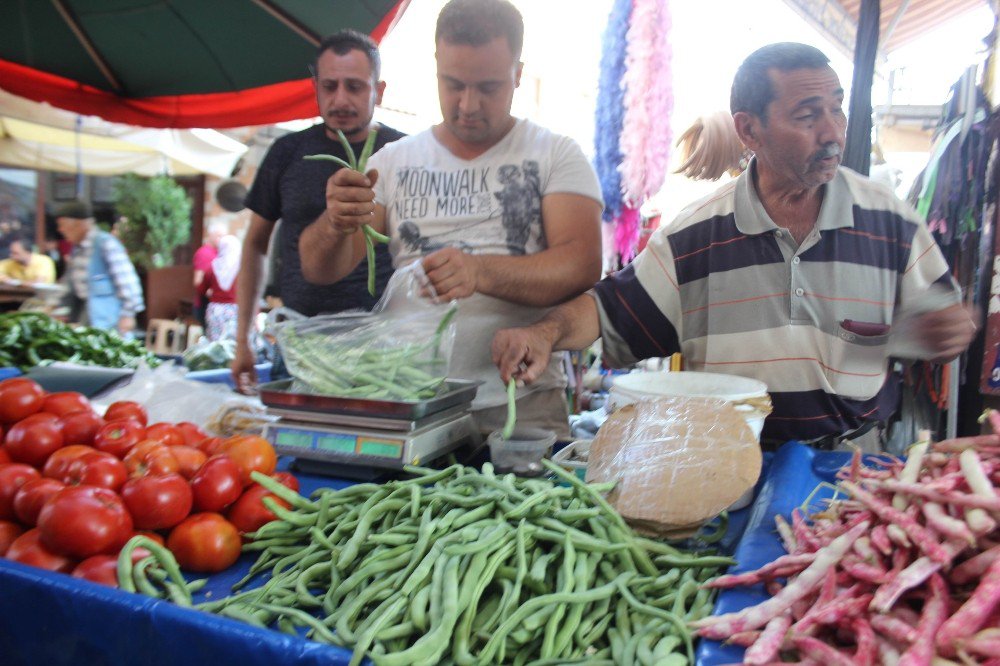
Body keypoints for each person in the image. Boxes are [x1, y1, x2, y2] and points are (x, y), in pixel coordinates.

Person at [492, 42, 978, 452]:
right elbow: (609, 311)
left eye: (836, 107)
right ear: (748, 130)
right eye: (808, 115)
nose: (832, 130)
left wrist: (945, 329)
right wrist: (545, 331)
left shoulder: (889, 220)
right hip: (727, 467)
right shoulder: (694, 237)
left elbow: (939, 321)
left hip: (850, 467)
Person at [299, 0, 603, 437]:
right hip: (410, 405)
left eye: (489, 87)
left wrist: (480, 271)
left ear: (519, 74)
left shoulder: (555, 154)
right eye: (453, 84)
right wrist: (334, 223)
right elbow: (319, 268)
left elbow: (581, 265)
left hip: (521, 405)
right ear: (436, 67)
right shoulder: (393, 162)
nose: (467, 104)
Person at [231, 29, 406, 392]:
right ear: (315, 87)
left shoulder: (404, 153)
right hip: (297, 344)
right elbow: (255, 245)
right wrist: (243, 337)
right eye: (330, 86)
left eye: (355, 87)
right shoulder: (286, 152)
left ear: (380, 89)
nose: (340, 99)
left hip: (381, 352)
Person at [55, 200, 144, 337]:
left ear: (79, 225)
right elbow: (69, 283)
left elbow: (127, 281)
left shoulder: (105, 244)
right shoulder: (77, 249)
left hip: (108, 319)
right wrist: (57, 306)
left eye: (63, 225)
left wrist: (128, 314)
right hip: (85, 313)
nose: (60, 230)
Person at [198, 235, 241, 341]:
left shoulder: (213, 267)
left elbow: (201, 288)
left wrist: (211, 293)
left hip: (216, 311)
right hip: (235, 310)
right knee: (233, 344)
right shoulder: (242, 269)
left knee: (216, 345)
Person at [192, 219, 227, 327]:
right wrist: (214, 293)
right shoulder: (204, 253)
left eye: (223, 237)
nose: (221, 240)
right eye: (219, 236)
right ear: (211, 235)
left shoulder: (219, 253)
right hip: (206, 304)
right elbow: (198, 280)